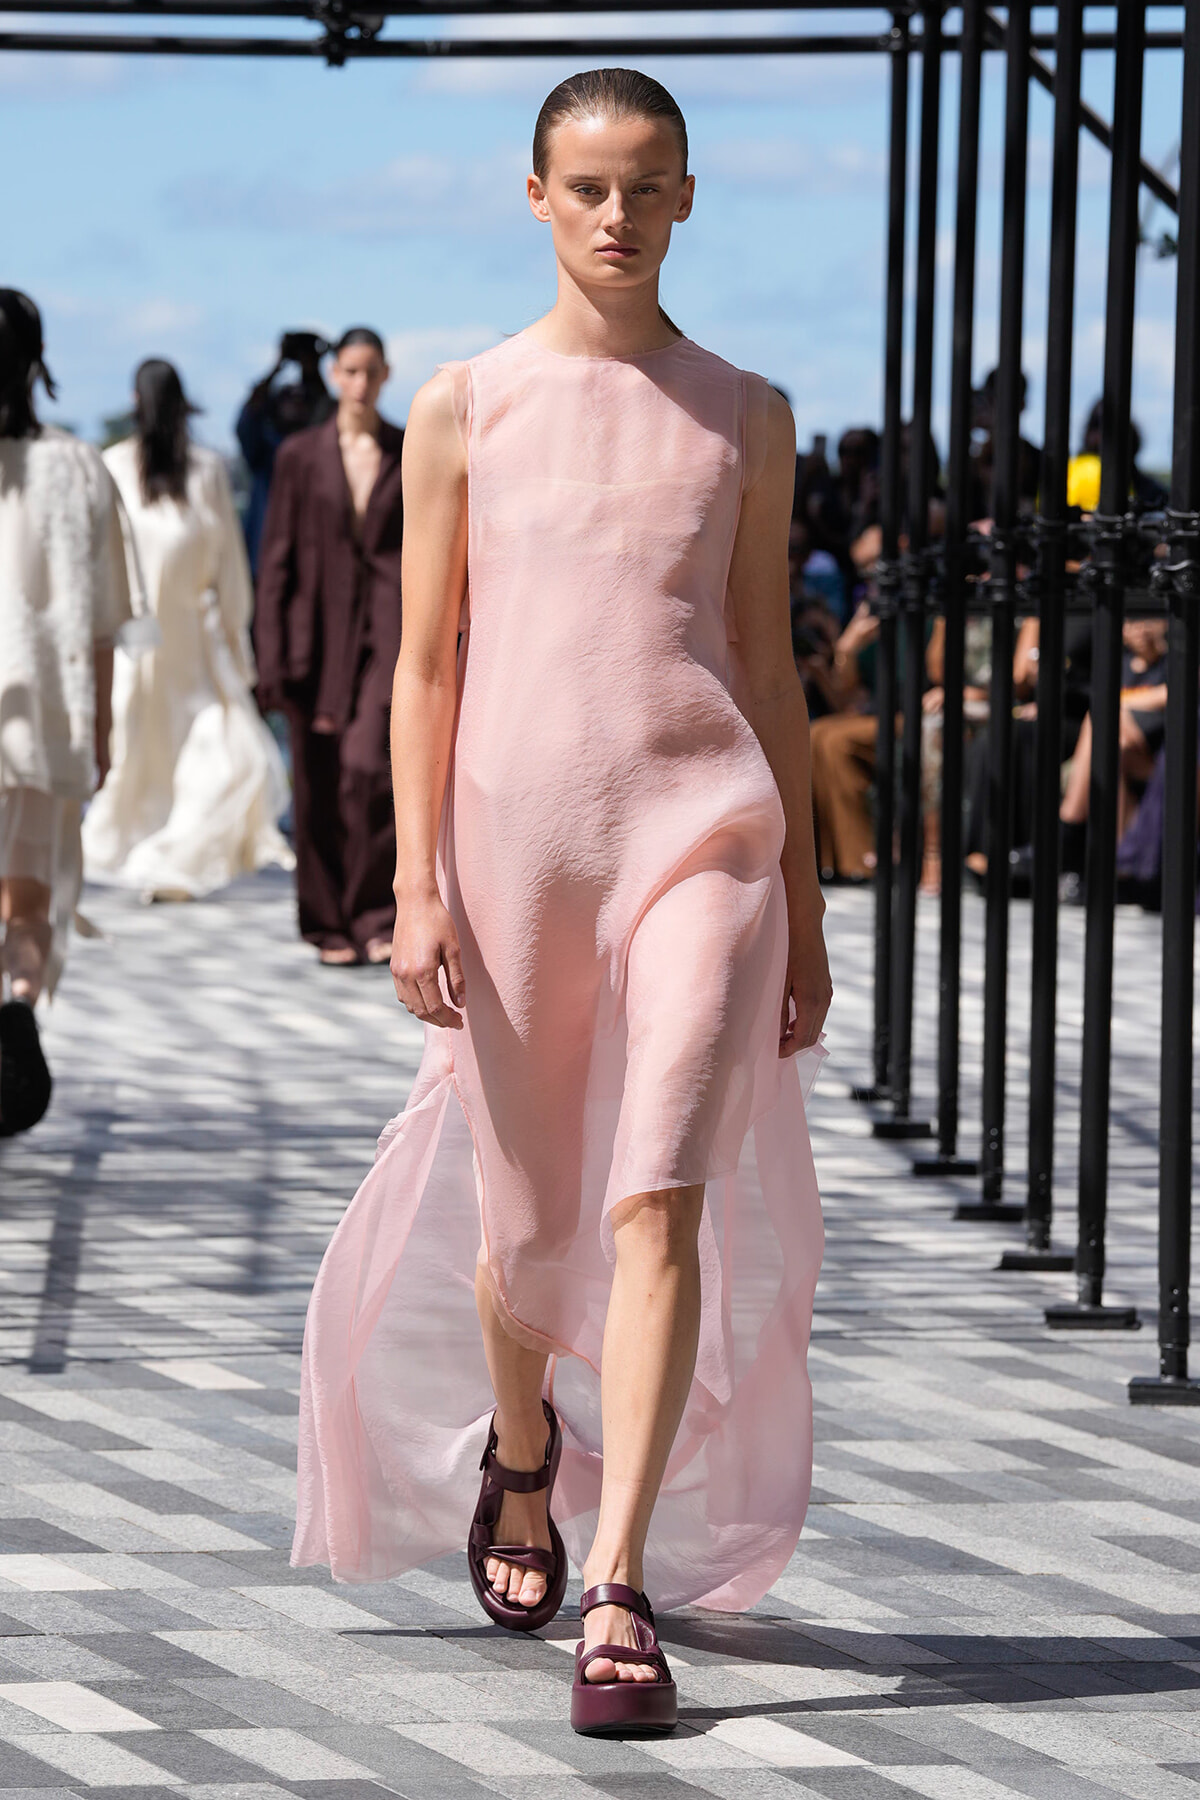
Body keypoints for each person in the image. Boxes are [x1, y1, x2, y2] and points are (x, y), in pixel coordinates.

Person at [291, 68, 830, 1738]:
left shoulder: (747, 412)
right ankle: (523, 1453)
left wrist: (803, 905)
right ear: (537, 197)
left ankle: (618, 1580)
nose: (616, 214)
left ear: (688, 198)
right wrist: (417, 888)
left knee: (655, 1197)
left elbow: (763, 660)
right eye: (587, 186)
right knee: (525, 1222)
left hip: (706, 833)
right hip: (521, 849)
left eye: (646, 184)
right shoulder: (467, 407)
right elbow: (428, 661)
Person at [81, 360, 293, 901]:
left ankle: (173, 850)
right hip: (148, 646)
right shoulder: (122, 468)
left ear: (135, 399)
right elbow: (227, 574)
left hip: (166, 647)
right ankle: (157, 845)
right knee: (155, 749)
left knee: (200, 750)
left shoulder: (202, 471)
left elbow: (223, 573)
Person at [0, 290, 131, 1131]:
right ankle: (16, 1002)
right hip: (44, 721)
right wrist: (105, 724)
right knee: (26, 896)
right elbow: (106, 619)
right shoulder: (78, 467)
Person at [254, 328, 404, 966]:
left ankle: (376, 914)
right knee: (316, 780)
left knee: (373, 768)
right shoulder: (299, 455)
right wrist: (269, 654)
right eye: (350, 371)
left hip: (388, 630)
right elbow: (277, 558)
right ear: (336, 375)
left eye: (372, 372)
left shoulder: (407, 448)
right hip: (312, 637)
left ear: (387, 375)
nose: (361, 384)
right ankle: (326, 923)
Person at [236, 331, 334, 578]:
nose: (295, 404)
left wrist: (311, 369)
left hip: (312, 555)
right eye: (288, 398)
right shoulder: (266, 450)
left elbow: (333, 417)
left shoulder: (320, 447)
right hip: (263, 553)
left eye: (303, 400)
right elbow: (249, 415)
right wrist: (276, 368)